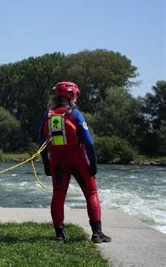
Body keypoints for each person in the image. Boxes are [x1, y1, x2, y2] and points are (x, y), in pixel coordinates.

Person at [39, 81, 111, 244]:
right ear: (71, 95)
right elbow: (89, 143)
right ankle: (97, 234)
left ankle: (59, 235)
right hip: (77, 159)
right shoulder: (75, 114)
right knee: (91, 193)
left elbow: (41, 139)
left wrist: (46, 163)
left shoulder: (48, 115)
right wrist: (93, 162)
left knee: (58, 195)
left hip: (56, 160)